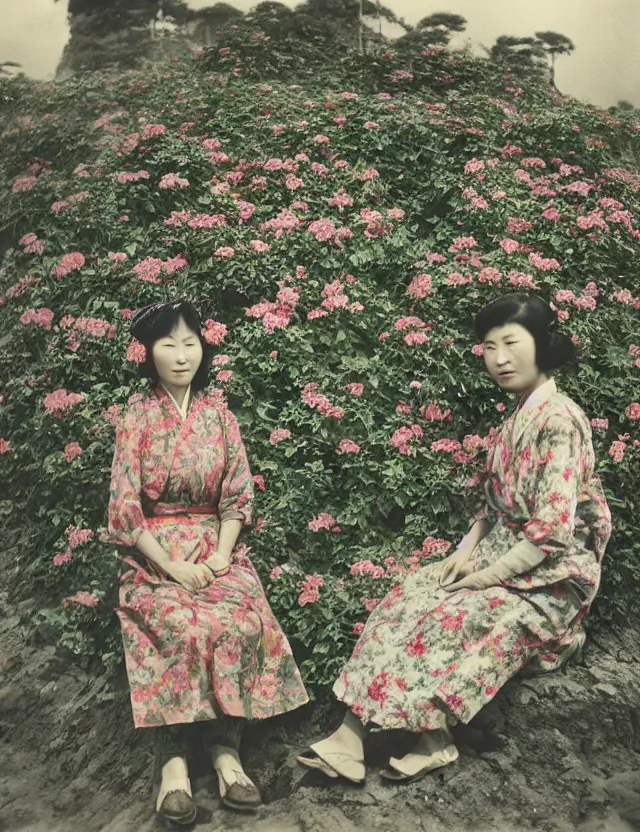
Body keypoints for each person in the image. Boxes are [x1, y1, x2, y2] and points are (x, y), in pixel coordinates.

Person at [298, 292, 611, 785]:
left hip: (551, 578)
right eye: (489, 347)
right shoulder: (516, 418)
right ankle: (350, 737)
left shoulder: (560, 419)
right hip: (505, 553)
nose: (500, 358)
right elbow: (490, 507)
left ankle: (434, 738)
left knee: (456, 616)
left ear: (542, 345)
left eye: (511, 343)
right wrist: (465, 552)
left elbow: (552, 531)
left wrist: (486, 576)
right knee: (412, 596)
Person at [104, 298, 308, 825]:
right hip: (155, 556)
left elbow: (237, 496)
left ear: (203, 349)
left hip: (216, 550)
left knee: (237, 619)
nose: (179, 354)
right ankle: (171, 762)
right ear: (148, 352)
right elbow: (125, 511)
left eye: (189, 343)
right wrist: (173, 568)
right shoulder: (136, 417)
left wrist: (220, 557)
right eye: (167, 343)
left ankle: (225, 751)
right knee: (178, 623)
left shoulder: (220, 416)